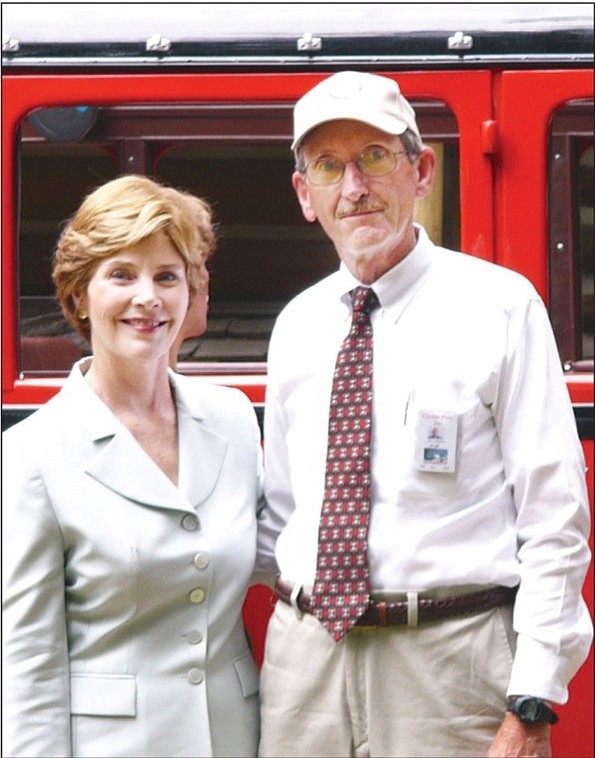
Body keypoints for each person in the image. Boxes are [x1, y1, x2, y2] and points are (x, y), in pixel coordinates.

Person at [257, 71, 592, 758]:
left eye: (375, 158)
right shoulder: (295, 325)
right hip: (306, 665)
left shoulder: (500, 306)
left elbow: (553, 517)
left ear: (422, 170)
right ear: (305, 197)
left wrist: (533, 695)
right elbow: (280, 514)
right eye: (328, 167)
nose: (354, 186)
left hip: (451, 664)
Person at [2, 175, 264, 758]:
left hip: (235, 739)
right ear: (79, 294)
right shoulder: (33, 454)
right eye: (122, 274)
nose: (148, 296)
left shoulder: (234, 421)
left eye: (167, 277)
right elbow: (29, 665)